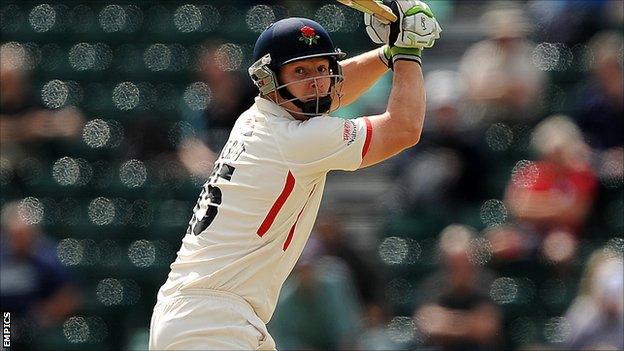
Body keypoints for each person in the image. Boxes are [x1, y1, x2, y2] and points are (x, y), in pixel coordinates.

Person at [148, 1, 442, 350]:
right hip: (212, 323)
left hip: (208, 315)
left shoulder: (259, 118)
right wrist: (410, 51)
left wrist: (387, 53)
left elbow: (331, 91)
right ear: (270, 81)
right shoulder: (295, 140)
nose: (316, 82)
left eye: (322, 68)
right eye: (300, 72)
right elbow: (403, 129)